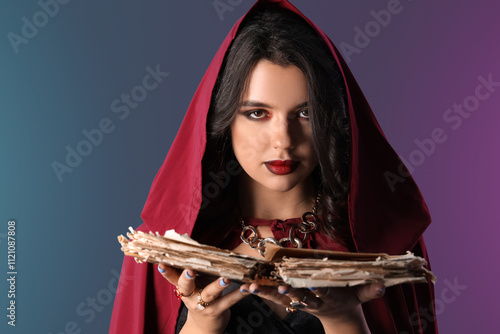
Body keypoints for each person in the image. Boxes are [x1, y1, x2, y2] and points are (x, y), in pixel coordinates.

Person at [110, 1, 438, 333]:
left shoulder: (385, 244)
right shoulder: (166, 250)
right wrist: (202, 322)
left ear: (333, 121)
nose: (283, 141)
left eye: (306, 113)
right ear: (223, 121)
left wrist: (343, 319)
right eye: (257, 113)